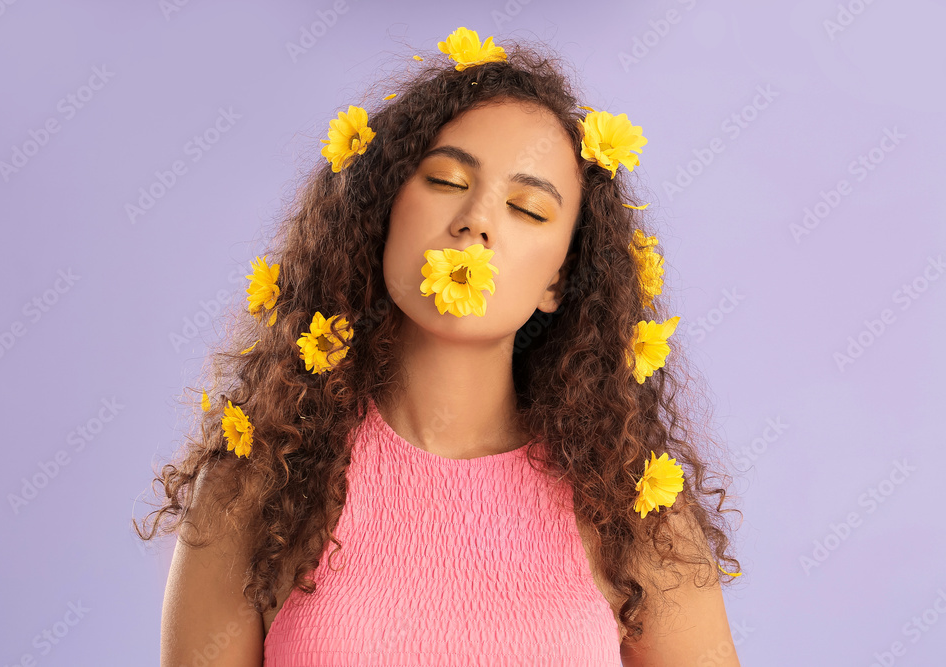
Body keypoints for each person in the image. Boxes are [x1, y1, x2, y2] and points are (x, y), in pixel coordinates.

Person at [135, 26, 744, 667]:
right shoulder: (256, 485)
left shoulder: (631, 508)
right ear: (383, 210)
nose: (476, 219)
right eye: (448, 180)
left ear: (559, 280)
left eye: (528, 210)